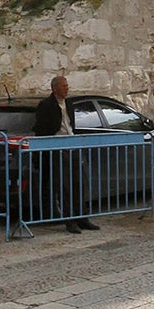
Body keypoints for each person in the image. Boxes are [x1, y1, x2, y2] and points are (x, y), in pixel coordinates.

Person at [34, 73, 98, 233]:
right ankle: (69, 221)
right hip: (58, 148)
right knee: (64, 186)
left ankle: (82, 218)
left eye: (67, 85)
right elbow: (42, 129)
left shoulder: (69, 104)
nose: (67, 88)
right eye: (63, 86)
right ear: (55, 88)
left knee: (79, 183)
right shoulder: (46, 105)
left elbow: (71, 125)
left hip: (73, 145)